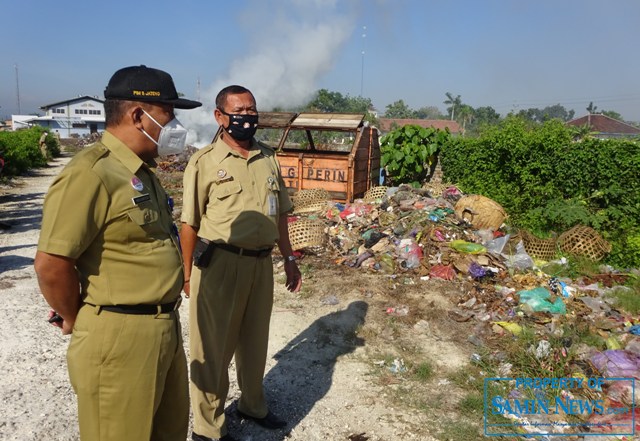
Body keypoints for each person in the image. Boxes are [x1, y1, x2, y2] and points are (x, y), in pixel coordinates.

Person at [34, 65, 202, 441]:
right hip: (118, 335)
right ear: (138, 115)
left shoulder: (143, 173)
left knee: (168, 431)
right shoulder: (91, 173)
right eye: (169, 114)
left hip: (163, 327)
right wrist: (77, 317)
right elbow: (52, 264)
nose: (174, 125)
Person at [181, 85, 302, 441]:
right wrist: (186, 275)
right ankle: (208, 427)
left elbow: (280, 215)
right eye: (239, 111)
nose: (247, 117)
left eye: (252, 110)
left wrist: (289, 258)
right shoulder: (204, 162)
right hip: (219, 265)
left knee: (254, 341)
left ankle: (253, 405)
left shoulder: (268, 158)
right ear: (220, 117)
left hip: (260, 265)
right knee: (212, 348)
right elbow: (189, 223)